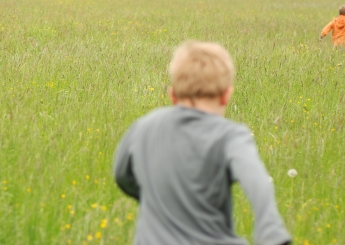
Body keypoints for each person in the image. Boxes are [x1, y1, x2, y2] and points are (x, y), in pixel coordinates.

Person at [113, 41, 291, 245]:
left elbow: (122, 175)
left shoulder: (143, 127)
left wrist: (157, 198)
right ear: (226, 95)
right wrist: (271, 230)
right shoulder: (231, 136)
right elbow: (257, 180)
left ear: (172, 95)